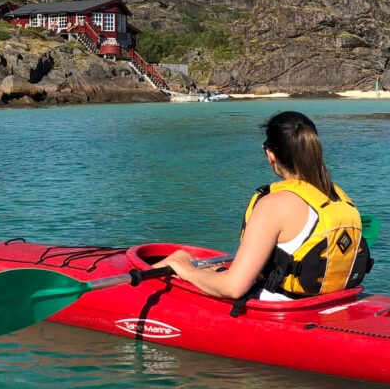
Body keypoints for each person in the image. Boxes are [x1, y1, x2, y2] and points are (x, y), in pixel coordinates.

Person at [154, 111, 370, 304]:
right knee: (193, 261)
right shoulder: (338, 196)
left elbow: (233, 288)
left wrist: (187, 271)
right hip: (329, 301)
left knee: (179, 263)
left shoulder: (273, 204)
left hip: (281, 307)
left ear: (270, 154)